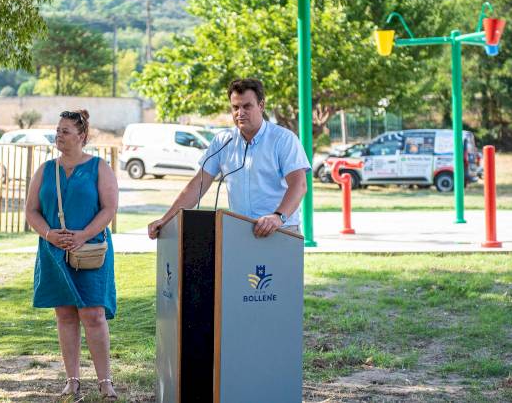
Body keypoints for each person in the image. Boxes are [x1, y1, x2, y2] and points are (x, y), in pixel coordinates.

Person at [24, 110, 119, 400]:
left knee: (94, 314)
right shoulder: (45, 170)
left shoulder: (99, 167)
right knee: (65, 314)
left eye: (65, 130)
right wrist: (50, 234)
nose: (59, 135)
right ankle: (72, 380)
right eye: (58, 129)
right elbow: (31, 211)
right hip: (54, 252)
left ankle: (105, 381)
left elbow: (109, 209)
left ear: (82, 137)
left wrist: (83, 235)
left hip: (91, 250)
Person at [148, 78, 310, 239]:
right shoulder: (223, 141)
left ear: (261, 106)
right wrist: (165, 219)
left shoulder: (284, 139)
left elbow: (299, 185)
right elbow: (198, 184)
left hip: (281, 230)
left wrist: (278, 217)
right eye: (235, 107)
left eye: (247, 106)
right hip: (241, 231)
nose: (240, 113)